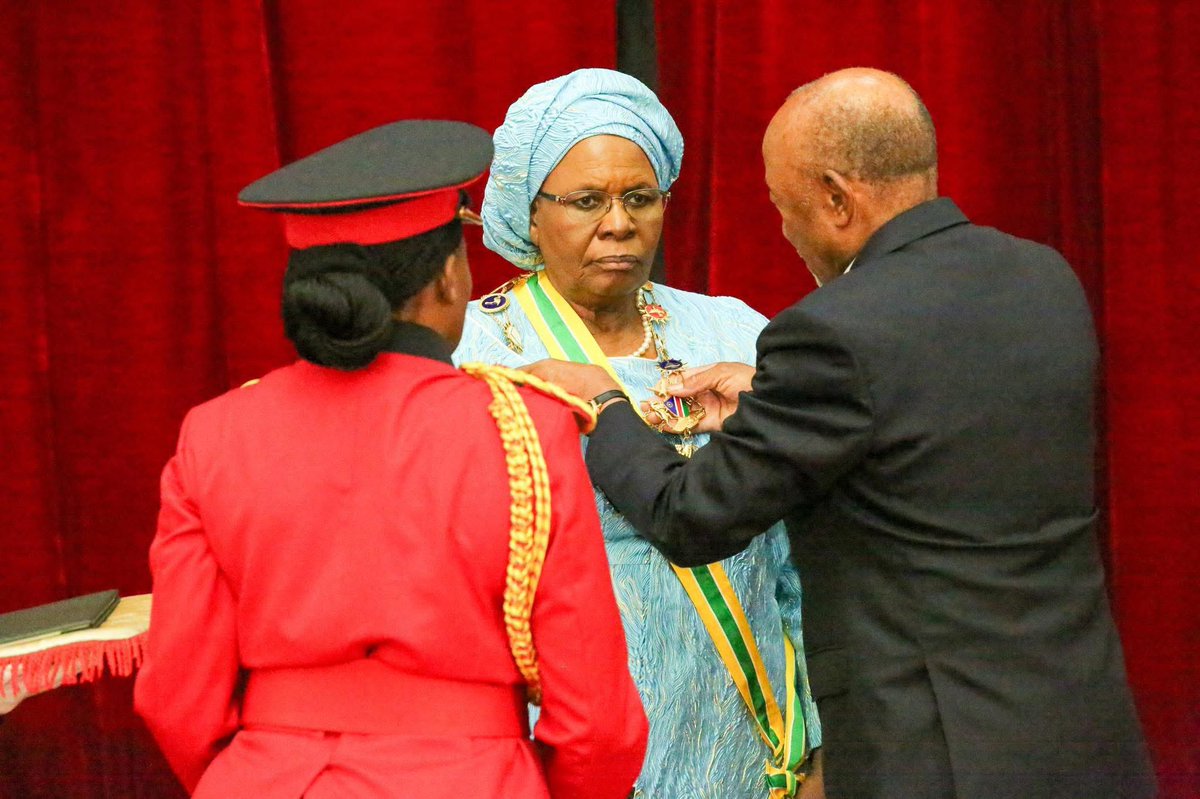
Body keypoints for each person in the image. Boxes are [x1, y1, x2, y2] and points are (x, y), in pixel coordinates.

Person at [526, 68, 1156, 799]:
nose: (786, 230)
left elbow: (690, 515)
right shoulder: (1044, 277)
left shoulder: (834, 332)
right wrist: (774, 404)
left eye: (784, 205)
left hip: (940, 754)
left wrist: (605, 402)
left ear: (834, 195)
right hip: (1081, 731)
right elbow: (941, 427)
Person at [134, 120, 647, 799]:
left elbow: (177, 696)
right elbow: (597, 723)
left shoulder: (215, 433)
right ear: (446, 278)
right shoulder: (525, 427)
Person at [454, 68, 823, 799]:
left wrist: (817, 740)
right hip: (577, 755)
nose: (619, 223)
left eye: (640, 198)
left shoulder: (733, 330)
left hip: (760, 744)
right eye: (587, 201)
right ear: (529, 215)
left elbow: (799, 556)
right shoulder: (477, 356)